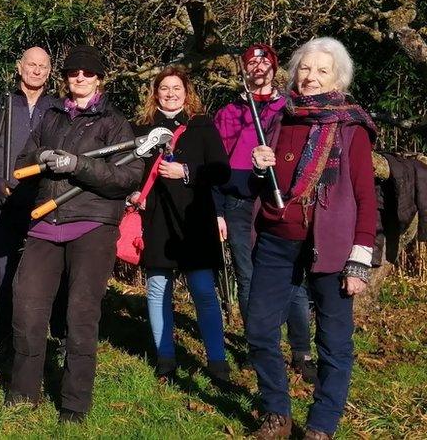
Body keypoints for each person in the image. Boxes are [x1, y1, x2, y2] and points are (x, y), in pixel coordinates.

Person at [246, 37, 377, 440]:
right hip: (277, 235)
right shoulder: (279, 117)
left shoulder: (351, 126)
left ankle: (321, 425)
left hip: (332, 245)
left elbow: (365, 197)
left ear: (337, 77)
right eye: (305, 68)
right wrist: (258, 165)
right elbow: (266, 179)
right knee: (259, 329)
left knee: (334, 340)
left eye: (322, 70)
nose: (311, 77)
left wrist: (360, 256)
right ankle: (276, 412)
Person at [7, 45, 142, 423]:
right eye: (72, 72)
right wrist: (41, 160)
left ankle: (74, 404)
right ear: (64, 79)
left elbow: (127, 177)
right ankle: (23, 393)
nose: (79, 77)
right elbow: (23, 161)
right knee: (28, 306)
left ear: (99, 78)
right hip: (45, 225)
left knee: (81, 314)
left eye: (87, 72)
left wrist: (78, 165)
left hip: (93, 226)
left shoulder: (114, 122)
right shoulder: (50, 117)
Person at [213, 44, 316, 382]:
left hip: (278, 201)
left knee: (291, 277)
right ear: (243, 70)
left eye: (264, 61)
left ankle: (301, 350)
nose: (257, 67)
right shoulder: (229, 113)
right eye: (250, 62)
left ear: (274, 68)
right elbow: (217, 166)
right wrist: (218, 212)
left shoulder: (289, 107)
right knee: (248, 276)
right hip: (239, 203)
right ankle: (259, 346)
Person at [130, 67, 231, 382]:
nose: (170, 93)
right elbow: (131, 170)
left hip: (195, 219)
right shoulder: (143, 128)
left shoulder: (202, 126)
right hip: (157, 218)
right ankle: (166, 359)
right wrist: (134, 192)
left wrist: (187, 172)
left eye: (176, 88)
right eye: (164, 88)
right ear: (155, 93)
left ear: (187, 93)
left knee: (203, 290)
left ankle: (217, 362)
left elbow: (221, 171)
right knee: (158, 288)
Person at [0, 46, 58, 338]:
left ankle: (38, 334)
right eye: (31, 64)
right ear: (19, 67)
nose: (36, 70)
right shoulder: (0, 105)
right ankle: (6, 337)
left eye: (42, 66)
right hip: (0, 199)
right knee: (2, 265)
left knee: (40, 269)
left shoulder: (57, 109)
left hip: (41, 200)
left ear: (50, 71)